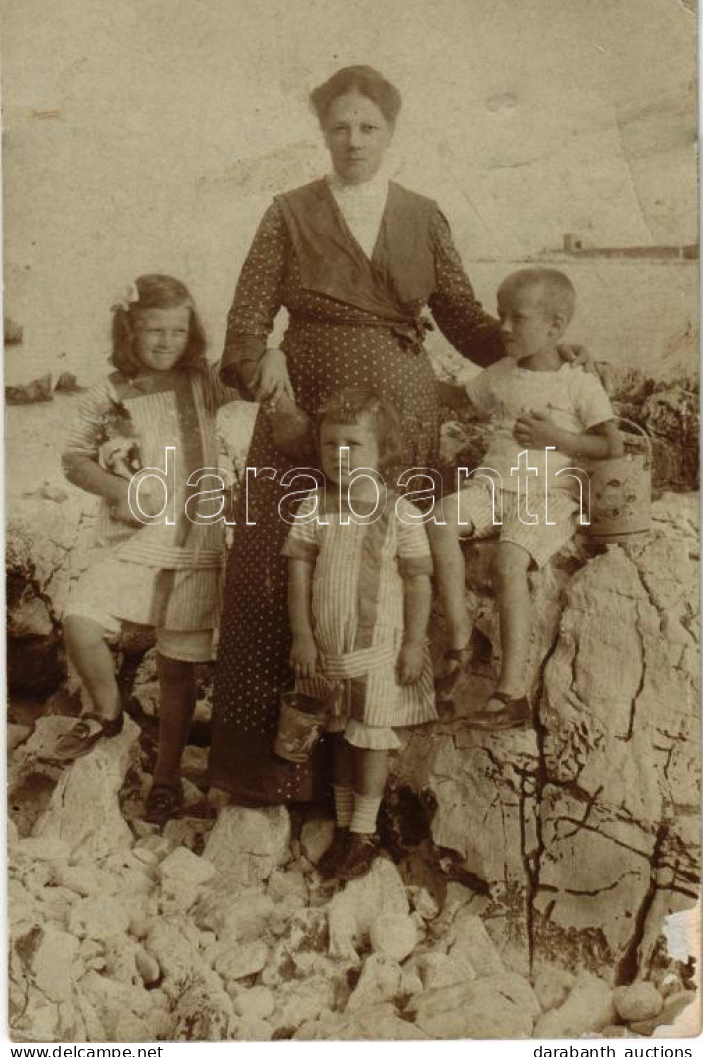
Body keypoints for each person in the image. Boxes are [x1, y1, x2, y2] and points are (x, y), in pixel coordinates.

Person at [209, 64, 508, 805]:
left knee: (388, 574)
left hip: (401, 421)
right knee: (273, 570)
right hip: (300, 416)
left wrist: (535, 351)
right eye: (338, 126)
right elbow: (244, 329)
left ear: (390, 133)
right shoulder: (287, 213)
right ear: (321, 132)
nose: (352, 140)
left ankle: (375, 789)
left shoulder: (422, 215)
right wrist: (270, 379)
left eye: (367, 127)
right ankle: (269, 779)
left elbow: (466, 322)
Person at [41, 275, 237, 824]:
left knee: (178, 670)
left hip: (196, 540)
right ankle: (107, 709)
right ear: (130, 329)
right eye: (154, 329)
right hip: (137, 537)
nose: (166, 341)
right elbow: (74, 460)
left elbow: (245, 381)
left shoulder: (203, 381)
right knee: (81, 615)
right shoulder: (109, 393)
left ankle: (167, 777)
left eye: (178, 330)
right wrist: (121, 490)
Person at [432, 268, 623, 731]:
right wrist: (406, 371)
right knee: (438, 520)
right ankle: (461, 637)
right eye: (501, 315)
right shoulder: (502, 374)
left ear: (556, 326)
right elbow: (459, 398)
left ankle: (510, 692)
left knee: (508, 559)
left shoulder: (578, 383)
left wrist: (559, 437)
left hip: (548, 496)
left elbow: (612, 446)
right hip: (493, 488)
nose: (504, 327)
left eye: (518, 318)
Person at [282, 389, 435, 879]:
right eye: (330, 445)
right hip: (329, 649)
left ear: (382, 450)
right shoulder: (314, 506)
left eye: (354, 445)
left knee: (369, 738)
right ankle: (347, 826)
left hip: (378, 653)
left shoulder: (401, 513)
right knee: (340, 736)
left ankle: (363, 833)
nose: (340, 456)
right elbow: (299, 575)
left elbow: (417, 581)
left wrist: (414, 643)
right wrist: (302, 636)